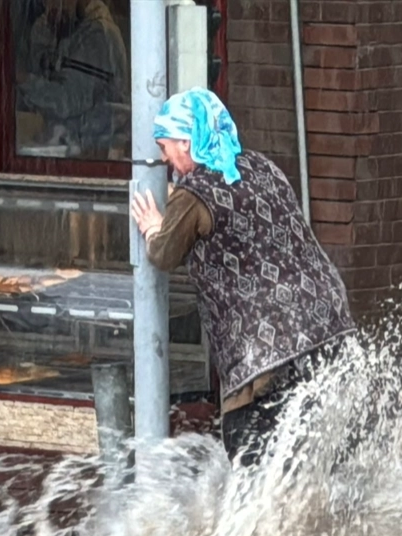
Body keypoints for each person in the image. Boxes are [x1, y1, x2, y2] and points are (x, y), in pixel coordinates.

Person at [130, 87, 356, 467]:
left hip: (264, 351)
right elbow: (239, 217)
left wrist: (154, 227)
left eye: (165, 147)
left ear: (186, 142)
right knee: (318, 451)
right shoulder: (258, 166)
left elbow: (164, 252)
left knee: (252, 461)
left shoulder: (195, 194)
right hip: (324, 321)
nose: (165, 159)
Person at [17, 0, 129, 158]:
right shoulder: (48, 28)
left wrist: (23, 80)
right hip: (57, 146)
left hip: (95, 154)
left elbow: (68, 101)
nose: (50, 8)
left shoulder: (99, 34)